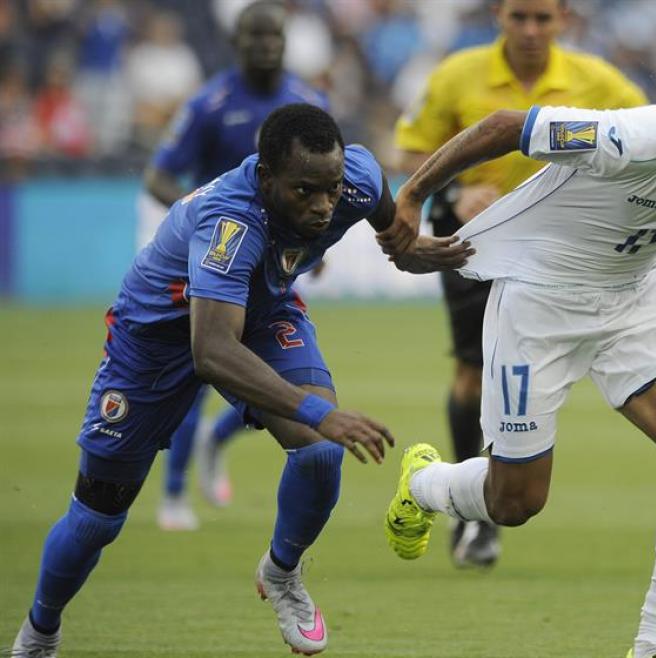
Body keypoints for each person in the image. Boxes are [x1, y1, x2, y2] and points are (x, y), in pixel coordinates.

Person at [11, 103, 470, 657]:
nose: (324, 206)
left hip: (262, 313)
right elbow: (211, 352)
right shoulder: (231, 220)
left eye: (331, 188)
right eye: (305, 192)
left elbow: (386, 220)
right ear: (265, 177)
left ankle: (281, 572)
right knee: (98, 515)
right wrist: (319, 409)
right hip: (156, 341)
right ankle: (39, 632)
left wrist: (411, 250)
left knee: (320, 452)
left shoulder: (357, 178)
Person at [382, 49, 656, 658]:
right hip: (538, 302)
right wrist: (410, 198)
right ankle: (426, 481)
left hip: (629, 304)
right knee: (514, 502)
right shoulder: (635, 137)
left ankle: (655, 644)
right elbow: (503, 127)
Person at [393, 0, 648, 568]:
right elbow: (410, 148)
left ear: (563, 21)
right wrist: (456, 192)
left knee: (520, 374)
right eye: (519, 17)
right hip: (471, 234)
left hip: (557, 248)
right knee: (473, 368)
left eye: (542, 19)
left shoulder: (595, 80)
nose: (531, 30)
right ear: (499, 19)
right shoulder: (457, 75)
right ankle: (474, 519)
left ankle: (485, 499)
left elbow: (646, 141)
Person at [141, 0, 330, 530]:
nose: (266, 46)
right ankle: (175, 494)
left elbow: (323, 181)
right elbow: (158, 176)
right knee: (202, 369)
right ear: (237, 42)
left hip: (272, 263)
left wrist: (317, 246)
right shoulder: (210, 102)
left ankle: (218, 437)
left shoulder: (307, 101)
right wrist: (195, 224)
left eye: (275, 37)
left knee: (275, 371)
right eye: (256, 37)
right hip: (214, 260)